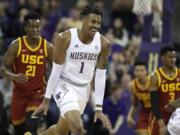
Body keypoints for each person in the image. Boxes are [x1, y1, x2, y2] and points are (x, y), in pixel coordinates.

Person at [33, 5, 111, 135]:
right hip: (64, 85)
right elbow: (56, 71)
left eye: (98, 23)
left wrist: (98, 108)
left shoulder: (104, 44)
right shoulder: (65, 38)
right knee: (78, 128)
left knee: (60, 131)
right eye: (93, 22)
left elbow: (100, 76)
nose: (96, 26)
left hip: (83, 89)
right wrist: (46, 100)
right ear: (83, 19)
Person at [0, 12, 53, 135]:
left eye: (37, 27)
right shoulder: (16, 45)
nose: (35, 30)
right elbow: (2, 68)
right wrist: (14, 76)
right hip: (19, 94)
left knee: (31, 129)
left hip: (37, 94)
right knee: (19, 131)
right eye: (31, 27)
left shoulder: (47, 47)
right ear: (25, 28)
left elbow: (58, 68)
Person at [149, 46, 180, 135]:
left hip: (176, 117)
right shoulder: (155, 76)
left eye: (174, 57)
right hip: (160, 116)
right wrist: (161, 123)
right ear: (162, 58)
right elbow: (154, 102)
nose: (173, 59)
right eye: (170, 57)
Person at [127, 61, 151, 135]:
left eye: (142, 70)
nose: (139, 73)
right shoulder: (132, 85)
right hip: (144, 113)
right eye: (137, 70)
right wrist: (129, 116)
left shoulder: (153, 81)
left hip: (157, 113)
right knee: (140, 132)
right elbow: (134, 104)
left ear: (146, 71)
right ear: (134, 72)